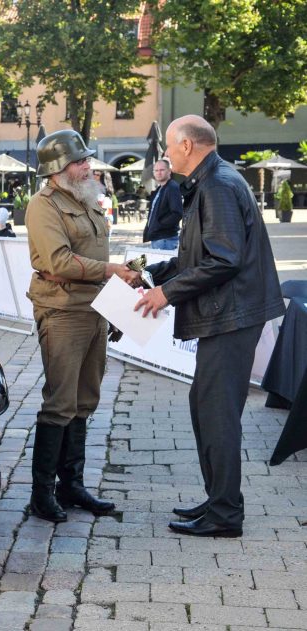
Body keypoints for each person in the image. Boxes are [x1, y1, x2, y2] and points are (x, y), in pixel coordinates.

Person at [135, 115, 284, 538]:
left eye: (168, 145)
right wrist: (149, 274)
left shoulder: (217, 185)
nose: (163, 154)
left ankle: (225, 515)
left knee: (217, 415)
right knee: (205, 408)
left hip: (232, 317)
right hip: (227, 315)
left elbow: (224, 260)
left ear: (187, 146)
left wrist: (165, 294)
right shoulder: (209, 181)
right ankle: (218, 499)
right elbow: (197, 255)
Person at [26, 129, 140, 523]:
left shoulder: (87, 198)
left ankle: (70, 486)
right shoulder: (44, 205)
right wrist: (111, 271)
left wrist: (122, 286)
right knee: (60, 402)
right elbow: (57, 262)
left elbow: (93, 251)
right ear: (58, 169)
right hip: (62, 310)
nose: (86, 165)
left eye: (85, 159)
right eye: (79, 161)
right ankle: (41, 495)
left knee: (85, 399)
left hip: (94, 308)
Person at [142, 159, 183, 250]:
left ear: (169, 171)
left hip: (165, 238)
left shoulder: (172, 187)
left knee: (162, 264)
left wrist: (159, 225)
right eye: (156, 170)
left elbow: (177, 213)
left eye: (162, 170)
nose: (158, 173)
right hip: (159, 237)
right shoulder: (160, 189)